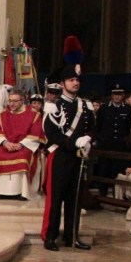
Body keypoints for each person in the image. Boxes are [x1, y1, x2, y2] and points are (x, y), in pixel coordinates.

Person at [41, 65, 95, 251]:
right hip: (61, 156)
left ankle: (72, 236)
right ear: (63, 83)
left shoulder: (85, 105)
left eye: (77, 80)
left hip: (78, 157)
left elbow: (92, 128)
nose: (75, 83)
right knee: (56, 198)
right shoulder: (55, 106)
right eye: (71, 80)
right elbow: (51, 133)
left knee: (75, 199)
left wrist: (88, 139)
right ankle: (50, 237)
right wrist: (73, 143)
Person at [0, 90, 45, 200]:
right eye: (10, 101)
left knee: (23, 156)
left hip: (24, 146)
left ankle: (22, 192)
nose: (12, 104)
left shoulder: (33, 115)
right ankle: (2, 191)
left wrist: (21, 144)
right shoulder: (2, 115)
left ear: (23, 100)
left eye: (15, 101)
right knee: (0, 153)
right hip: (7, 145)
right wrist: (5, 143)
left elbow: (36, 134)